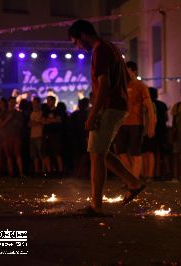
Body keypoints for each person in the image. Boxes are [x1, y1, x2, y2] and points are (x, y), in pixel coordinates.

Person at [69, 19, 145, 216]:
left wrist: (92, 114)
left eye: (76, 42)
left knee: (96, 153)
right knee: (100, 151)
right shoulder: (111, 48)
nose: (77, 47)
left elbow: (103, 85)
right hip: (117, 105)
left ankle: (96, 205)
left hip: (109, 106)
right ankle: (133, 182)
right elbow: (126, 79)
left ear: (84, 35)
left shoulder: (100, 50)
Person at [114, 61, 155, 179]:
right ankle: (131, 178)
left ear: (134, 72)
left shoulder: (141, 86)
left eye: (127, 71)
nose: (124, 74)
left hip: (136, 124)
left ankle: (134, 180)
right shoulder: (121, 86)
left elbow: (149, 107)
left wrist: (151, 126)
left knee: (136, 153)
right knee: (120, 152)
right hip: (121, 124)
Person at [0, 97, 25, 178]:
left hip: (16, 137)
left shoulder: (18, 113)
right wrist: (7, 119)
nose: (12, 103)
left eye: (14, 102)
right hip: (6, 137)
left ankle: (21, 173)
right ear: (8, 102)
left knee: (18, 155)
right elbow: (0, 125)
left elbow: (21, 125)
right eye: (11, 102)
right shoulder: (4, 113)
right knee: (8, 156)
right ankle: (11, 173)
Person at [41, 96, 64, 175]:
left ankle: (60, 171)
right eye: (47, 101)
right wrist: (52, 120)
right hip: (46, 134)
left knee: (57, 152)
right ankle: (49, 171)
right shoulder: (45, 110)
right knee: (46, 152)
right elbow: (43, 121)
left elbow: (58, 120)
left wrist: (49, 120)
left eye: (49, 101)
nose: (47, 102)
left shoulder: (58, 110)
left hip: (55, 134)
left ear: (53, 101)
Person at [29, 97, 43, 177]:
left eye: (34, 103)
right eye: (32, 103)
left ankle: (44, 170)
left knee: (41, 154)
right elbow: (29, 124)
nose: (33, 104)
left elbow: (40, 123)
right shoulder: (32, 113)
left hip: (39, 135)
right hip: (32, 136)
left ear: (38, 103)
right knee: (34, 155)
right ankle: (36, 171)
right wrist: (35, 123)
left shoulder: (41, 113)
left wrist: (34, 123)